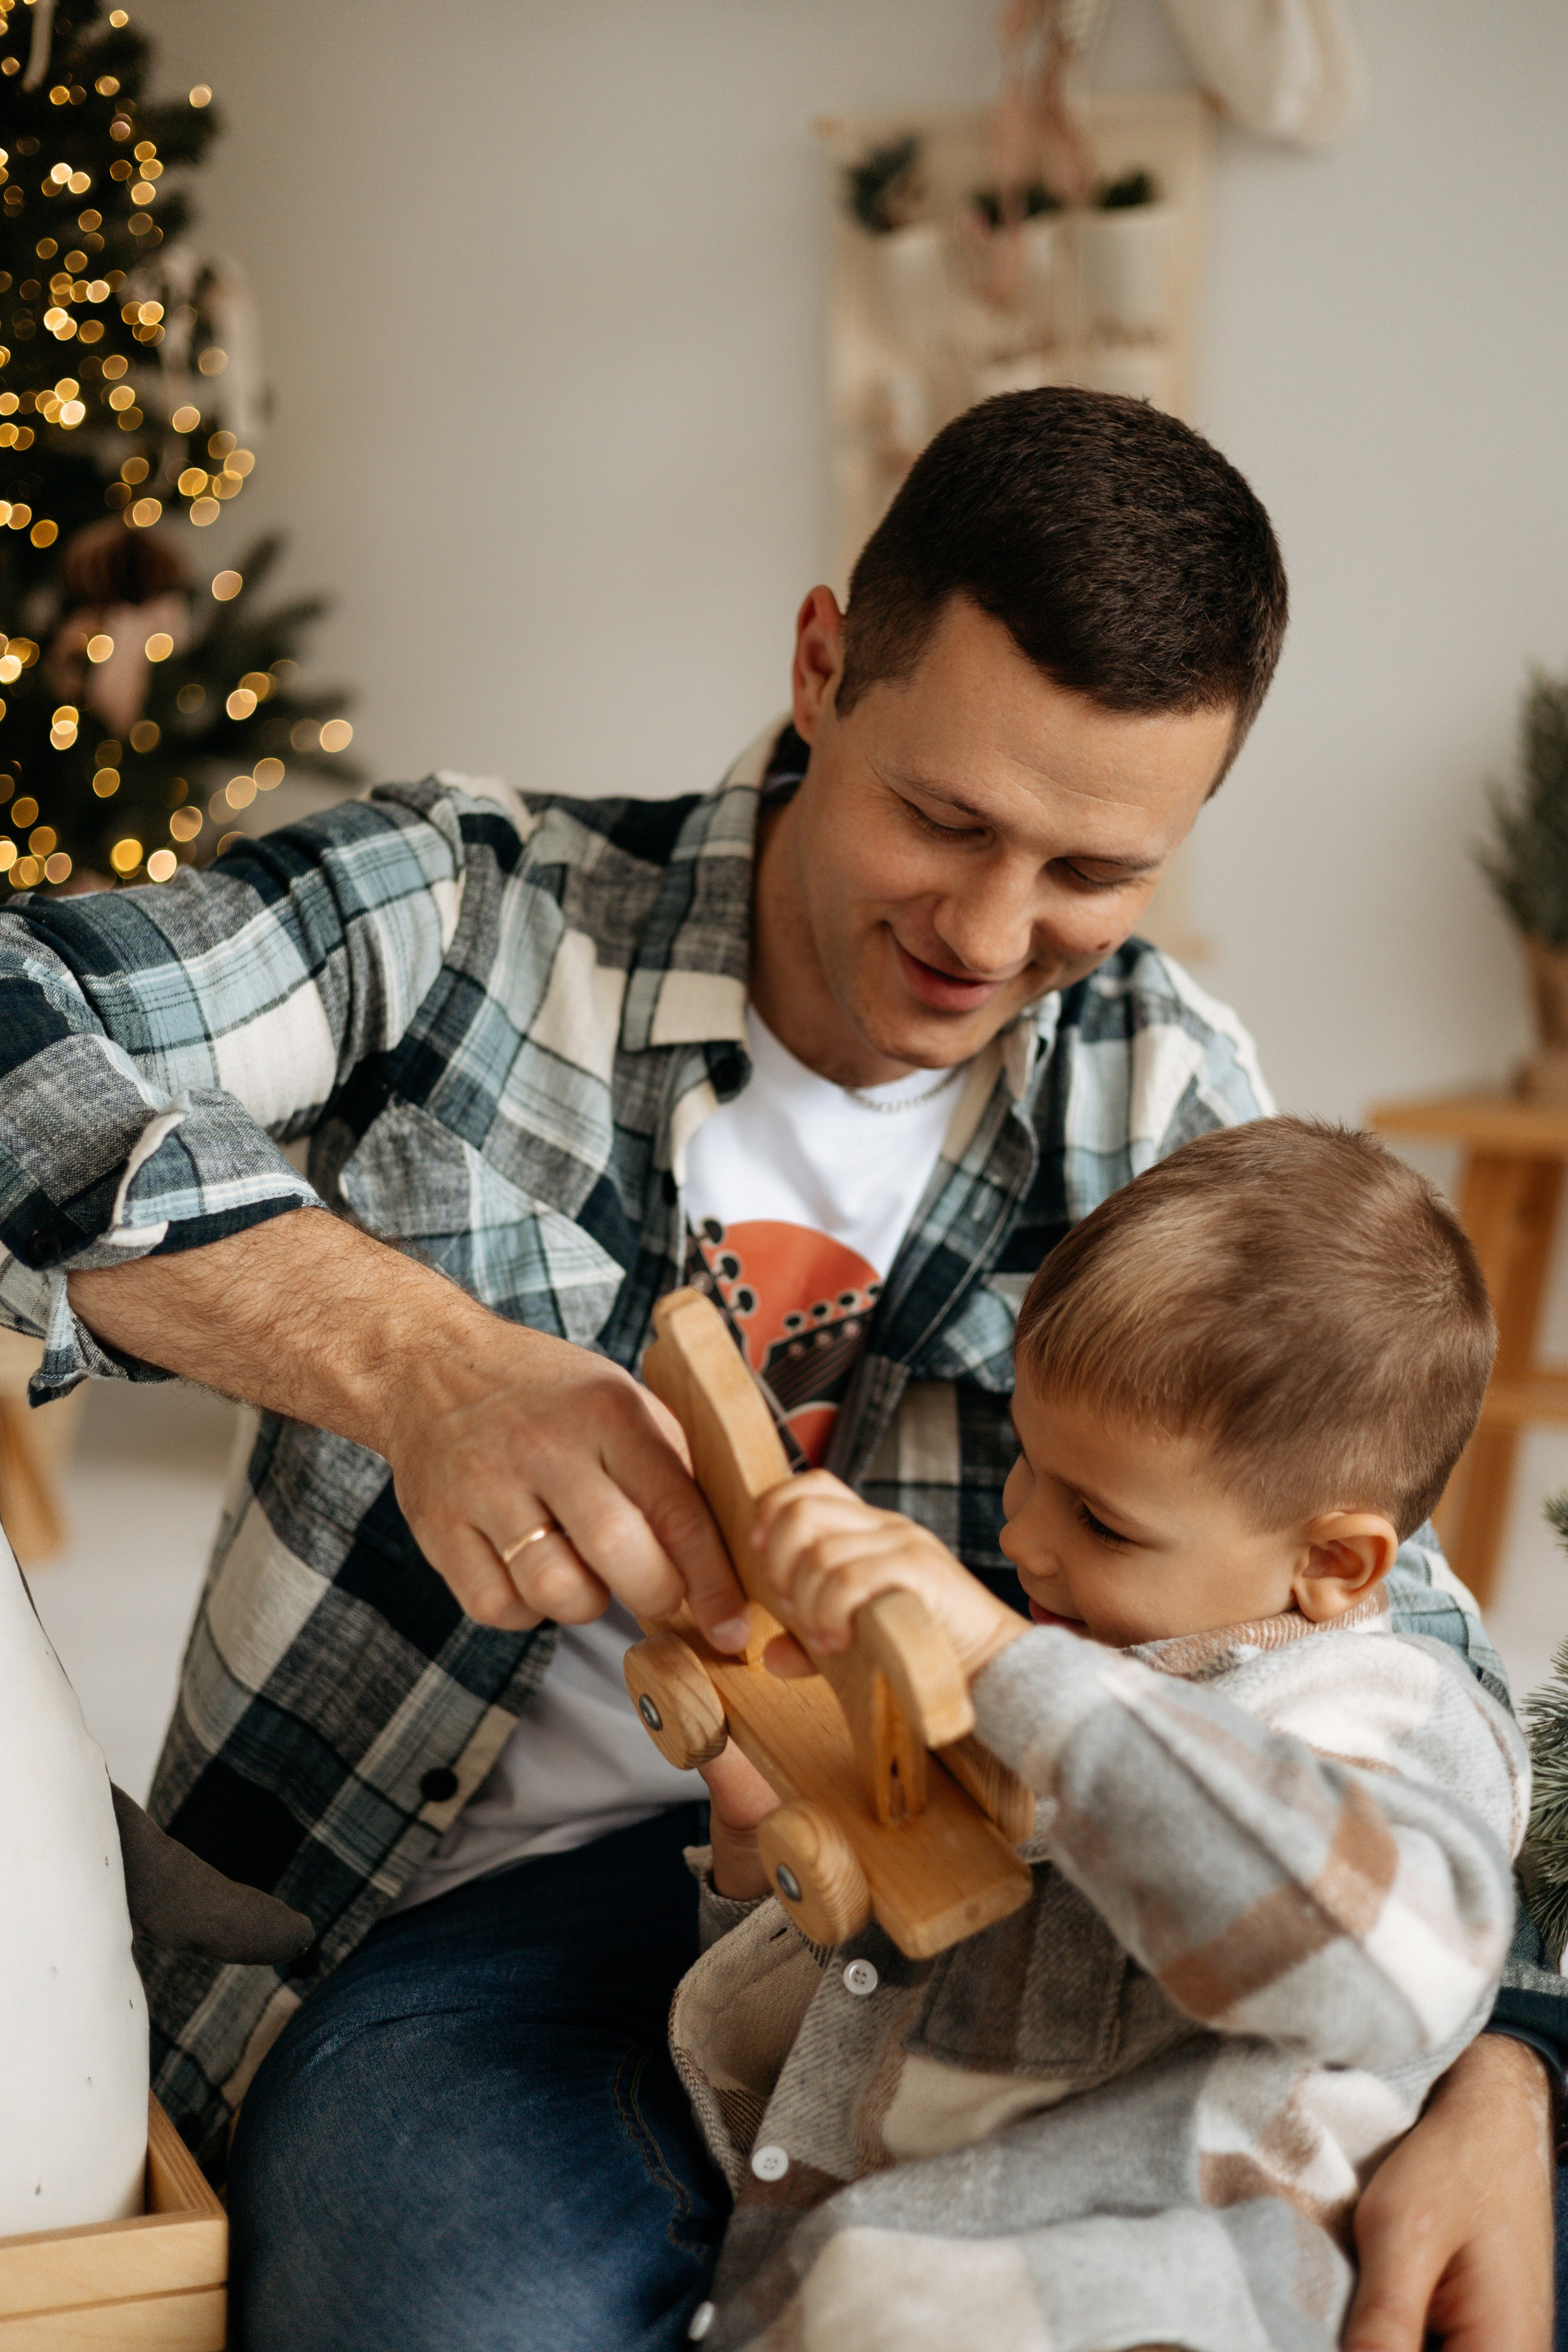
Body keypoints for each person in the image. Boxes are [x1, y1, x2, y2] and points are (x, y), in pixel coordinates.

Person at [0, 390, 1555, 2351]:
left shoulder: (1164, 1089)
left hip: (972, 1970)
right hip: (457, 1922)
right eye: (946, 819)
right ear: (822, 666)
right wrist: (412, 1358)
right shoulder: (469, 910)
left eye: (1093, 871)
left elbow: (1396, 1642)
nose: (989, 931)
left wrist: (1508, 2064)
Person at [676, 1117, 1526, 2352]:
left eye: (1103, 1523)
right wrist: (761, 1842)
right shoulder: (1069, 1683)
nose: (1021, 1538)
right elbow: (859, 2032)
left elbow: (1402, 1965)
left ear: (1334, 1563)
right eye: (1026, 1465)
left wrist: (1005, 1665)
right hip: (842, 2279)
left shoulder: (1373, 1708)